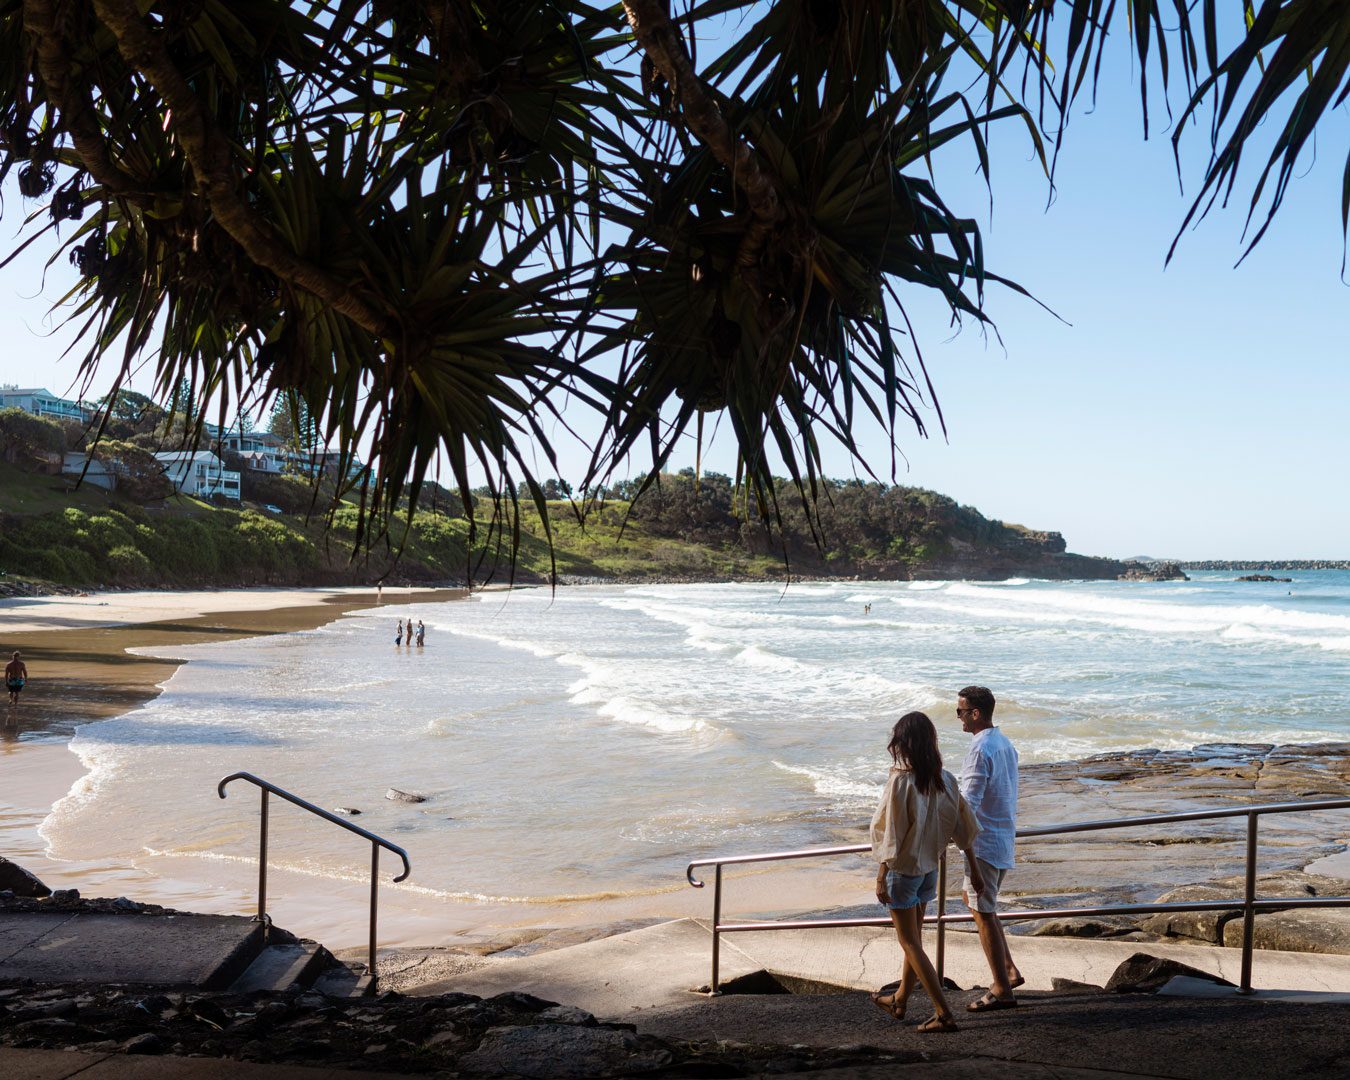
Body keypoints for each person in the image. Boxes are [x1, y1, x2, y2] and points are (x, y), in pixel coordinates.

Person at [870, 711, 984, 1033]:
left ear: (904, 743)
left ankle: (943, 1012)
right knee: (915, 940)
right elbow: (964, 827)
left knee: (909, 942)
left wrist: (881, 875)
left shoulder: (901, 782)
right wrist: (973, 869)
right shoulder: (945, 779)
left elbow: (891, 834)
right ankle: (900, 999)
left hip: (903, 872)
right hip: (930, 872)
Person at [956, 685, 1023, 1011]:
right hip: (1002, 838)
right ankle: (1008, 971)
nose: (959, 718)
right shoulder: (1005, 744)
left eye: (961, 712)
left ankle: (1001, 989)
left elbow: (969, 801)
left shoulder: (980, 749)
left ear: (975, 713)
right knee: (980, 903)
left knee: (982, 913)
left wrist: (946, 829)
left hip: (982, 844)